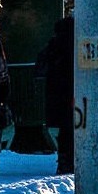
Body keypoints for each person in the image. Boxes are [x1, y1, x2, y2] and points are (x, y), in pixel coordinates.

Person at [35, 16, 76, 174]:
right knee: (72, 128)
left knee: (64, 131)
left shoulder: (53, 45)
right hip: (71, 92)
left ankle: (64, 160)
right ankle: (69, 160)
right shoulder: (73, 47)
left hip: (57, 94)